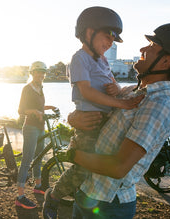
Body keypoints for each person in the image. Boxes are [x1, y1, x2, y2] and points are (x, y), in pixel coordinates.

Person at [65, 23, 170, 218]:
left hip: (108, 205)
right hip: (87, 190)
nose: (142, 49)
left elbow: (118, 167)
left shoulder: (160, 104)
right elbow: (95, 109)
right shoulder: (132, 92)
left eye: (152, 47)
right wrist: (73, 118)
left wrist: (73, 155)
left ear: (167, 61)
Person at [42, 6, 144, 218]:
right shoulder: (79, 58)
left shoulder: (103, 60)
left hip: (104, 122)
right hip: (88, 125)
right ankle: (53, 196)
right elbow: (86, 92)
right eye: (107, 37)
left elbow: (114, 84)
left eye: (113, 40)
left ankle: (80, 200)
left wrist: (117, 89)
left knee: (100, 167)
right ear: (89, 32)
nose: (110, 43)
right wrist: (122, 104)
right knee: (83, 168)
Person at [15, 61, 57, 209]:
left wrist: (50, 107)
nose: (40, 75)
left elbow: (38, 106)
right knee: (27, 160)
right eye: (37, 72)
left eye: (42, 72)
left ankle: (38, 185)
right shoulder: (27, 88)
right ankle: (20, 196)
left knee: (39, 157)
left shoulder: (40, 88)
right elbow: (22, 110)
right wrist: (35, 112)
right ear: (32, 73)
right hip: (31, 127)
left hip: (41, 127)